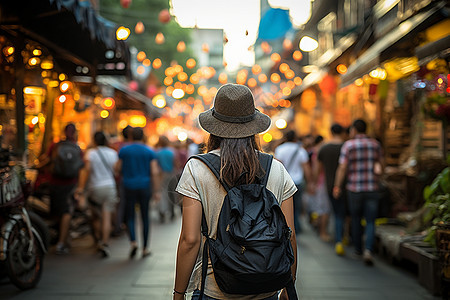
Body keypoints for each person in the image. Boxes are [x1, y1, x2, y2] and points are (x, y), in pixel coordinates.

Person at [173, 84, 297, 300]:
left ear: (214, 127)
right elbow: (290, 235)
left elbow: (190, 240)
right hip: (266, 287)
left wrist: (178, 292)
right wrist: (289, 285)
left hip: (214, 287)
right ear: (253, 126)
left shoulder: (197, 168)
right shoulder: (276, 168)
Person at [333, 119, 383, 265]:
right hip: (372, 187)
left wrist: (337, 186)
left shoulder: (349, 145)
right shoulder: (375, 144)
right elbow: (381, 164)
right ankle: (369, 249)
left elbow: (342, 167)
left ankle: (358, 249)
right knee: (370, 220)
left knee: (355, 218)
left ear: (354, 129)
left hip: (354, 188)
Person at [116, 127, 161, 258]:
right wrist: (156, 190)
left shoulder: (124, 150)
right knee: (145, 216)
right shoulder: (149, 151)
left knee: (130, 215)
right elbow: (154, 172)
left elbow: (117, 168)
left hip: (128, 186)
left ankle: (133, 242)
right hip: (145, 186)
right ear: (142, 136)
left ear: (130, 136)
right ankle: (145, 248)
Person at [76, 131, 119, 258]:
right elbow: (116, 171)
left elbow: (86, 170)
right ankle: (105, 243)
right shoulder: (113, 153)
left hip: (95, 188)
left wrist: (81, 188)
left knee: (95, 216)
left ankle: (98, 240)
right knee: (106, 217)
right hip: (109, 187)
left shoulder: (91, 153)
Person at [47, 123, 84, 254]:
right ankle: (62, 241)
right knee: (67, 212)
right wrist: (80, 187)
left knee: (58, 211)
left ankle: (61, 240)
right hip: (70, 184)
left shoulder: (56, 145)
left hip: (55, 182)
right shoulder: (77, 148)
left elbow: (47, 159)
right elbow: (81, 168)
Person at [316, 124, 347, 255]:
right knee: (343, 214)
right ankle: (343, 237)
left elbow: (318, 169)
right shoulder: (346, 146)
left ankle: (338, 239)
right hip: (347, 185)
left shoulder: (324, 148)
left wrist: (314, 181)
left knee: (334, 212)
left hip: (329, 185)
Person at [274, 130, 312, 234]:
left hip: (285, 182)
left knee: (285, 206)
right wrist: (310, 182)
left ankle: (287, 227)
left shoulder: (280, 149)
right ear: (295, 138)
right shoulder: (301, 150)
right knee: (297, 206)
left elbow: (277, 167)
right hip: (297, 182)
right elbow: (306, 168)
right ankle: (296, 227)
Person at [155, 135, 176, 222]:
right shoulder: (172, 152)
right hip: (171, 174)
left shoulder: (157, 152)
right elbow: (176, 163)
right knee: (171, 193)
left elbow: (156, 165)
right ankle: (172, 212)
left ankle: (162, 212)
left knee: (162, 193)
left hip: (161, 175)